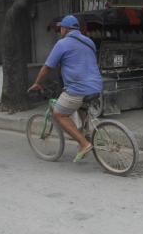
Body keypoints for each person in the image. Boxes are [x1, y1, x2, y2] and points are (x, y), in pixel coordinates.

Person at [28, 15, 103, 162]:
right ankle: (87, 132)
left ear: (65, 29)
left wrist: (37, 82)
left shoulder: (62, 44)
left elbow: (47, 67)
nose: (59, 30)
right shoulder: (89, 42)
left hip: (77, 88)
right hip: (96, 87)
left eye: (60, 28)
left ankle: (84, 143)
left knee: (59, 114)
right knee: (81, 107)